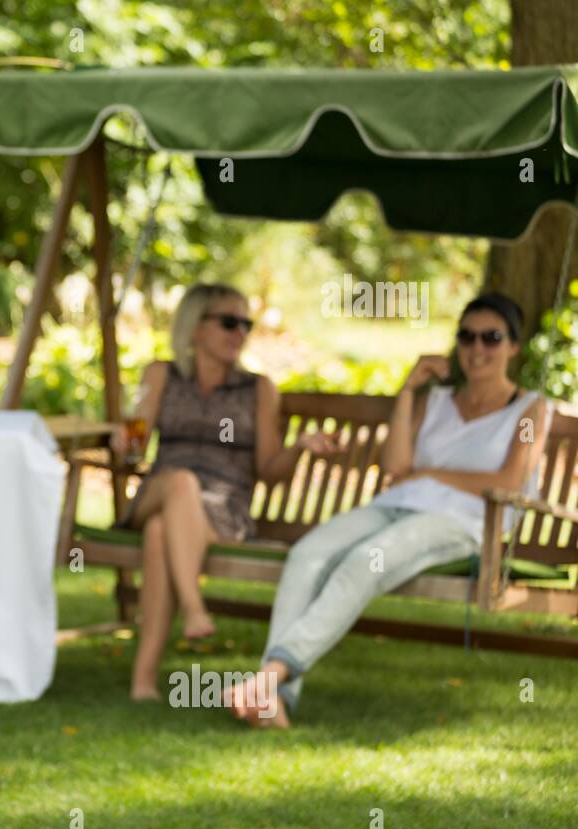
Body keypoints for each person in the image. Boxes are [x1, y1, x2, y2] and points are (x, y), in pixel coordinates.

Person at [227, 293, 551, 728]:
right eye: (467, 337)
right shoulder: (435, 401)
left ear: (513, 345)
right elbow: (397, 468)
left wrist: (430, 473)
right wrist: (408, 391)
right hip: (395, 506)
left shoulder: (530, 410)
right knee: (307, 554)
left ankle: (270, 677)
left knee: (365, 561)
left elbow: (509, 481)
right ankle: (275, 700)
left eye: (491, 338)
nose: (477, 348)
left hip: (461, 523)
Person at [110, 283, 337, 701]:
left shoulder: (258, 389)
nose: (241, 333)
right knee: (181, 483)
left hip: (221, 509)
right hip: (162, 488)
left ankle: (143, 681)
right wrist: (124, 443)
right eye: (229, 322)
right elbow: (135, 446)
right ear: (195, 327)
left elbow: (269, 470)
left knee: (160, 532)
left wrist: (299, 448)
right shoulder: (162, 375)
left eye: (247, 324)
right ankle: (193, 607)